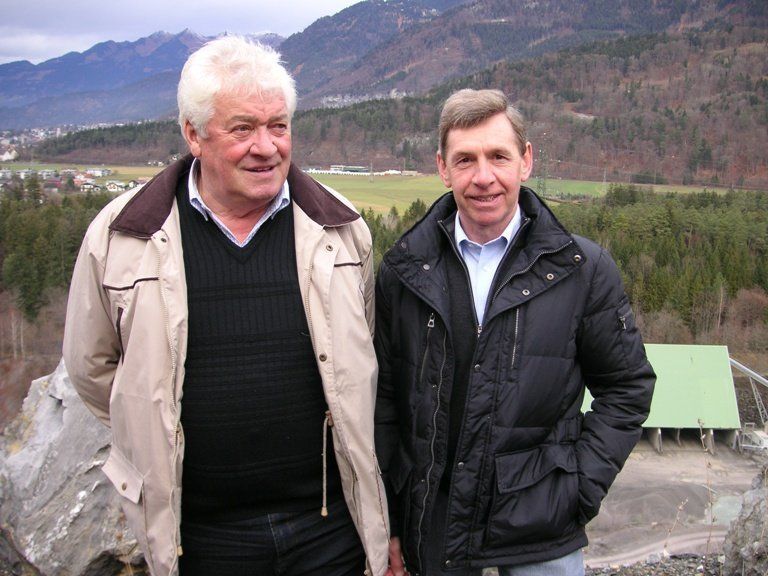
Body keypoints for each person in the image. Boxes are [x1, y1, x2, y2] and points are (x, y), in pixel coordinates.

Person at [63, 36, 390, 576]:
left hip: (329, 528)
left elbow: (364, 353)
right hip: (200, 536)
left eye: (278, 126)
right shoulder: (121, 236)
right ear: (193, 134)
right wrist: (154, 423)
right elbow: (92, 368)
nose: (266, 147)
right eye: (242, 129)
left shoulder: (342, 228)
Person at [374, 88, 656, 576]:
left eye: (498, 157)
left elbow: (627, 388)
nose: (483, 177)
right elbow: (384, 401)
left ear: (525, 161)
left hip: (541, 541)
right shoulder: (404, 271)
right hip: (431, 533)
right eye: (465, 159)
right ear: (442, 168)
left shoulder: (582, 270)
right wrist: (391, 519)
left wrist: (576, 489)